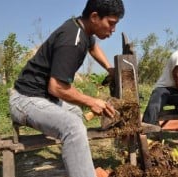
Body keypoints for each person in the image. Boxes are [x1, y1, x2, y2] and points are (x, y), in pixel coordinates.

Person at [9, 0, 124, 177]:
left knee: (75, 113)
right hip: (25, 100)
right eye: (111, 23)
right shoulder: (72, 40)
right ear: (94, 17)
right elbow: (56, 88)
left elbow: (93, 47)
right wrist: (91, 101)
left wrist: (110, 69)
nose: (113, 30)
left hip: (45, 98)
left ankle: (81, 171)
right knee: (73, 127)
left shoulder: (82, 29)